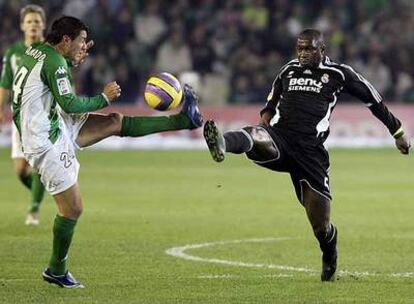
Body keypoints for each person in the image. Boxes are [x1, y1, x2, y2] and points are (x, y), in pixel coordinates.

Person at [203, 29, 410, 282]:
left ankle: (329, 252)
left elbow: (374, 100)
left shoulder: (339, 74)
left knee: (320, 226)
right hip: (281, 138)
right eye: (299, 48)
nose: (303, 53)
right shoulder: (288, 70)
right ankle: (222, 142)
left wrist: (397, 131)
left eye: (309, 49)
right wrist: (266, 116)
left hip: (311, 153)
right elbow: (273, 96)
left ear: (322, 50)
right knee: (253, 135)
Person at [12, 16, 203, 288]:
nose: (82, 47)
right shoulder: (54, 62)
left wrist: (69, 61)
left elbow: (48, 83)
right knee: (73, 209)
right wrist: (103, 97)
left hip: (50, 121)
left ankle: (185, 120)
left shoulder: (39, 52)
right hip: (44, 140)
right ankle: (56, 269)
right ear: (65, 40)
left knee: (114, 122)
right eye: (79, 41)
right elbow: (70, 103)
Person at [0, 5, 47, 225]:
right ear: (22, 26)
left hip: (43, 117)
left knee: (37, 165)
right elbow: (5, 83)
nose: (33, 26)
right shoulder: (14, 53)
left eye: (37, 21)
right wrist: (0, 108)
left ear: (43, 25)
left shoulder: (50, 51)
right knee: (20, 171)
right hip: (20, 118)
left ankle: (34, 209)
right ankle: (48, 191)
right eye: (29, 22)